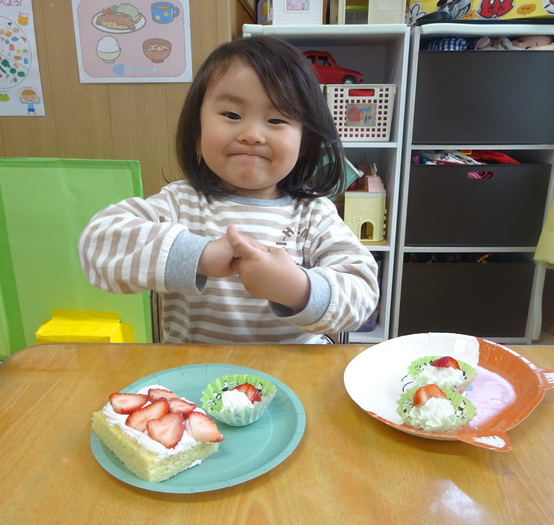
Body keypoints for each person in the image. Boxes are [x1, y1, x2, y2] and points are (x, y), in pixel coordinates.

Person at [79, 36, 379, 344]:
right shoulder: (180, 202)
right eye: (232, 115)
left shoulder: (314, 215)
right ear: (197, 131)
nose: (252, 135)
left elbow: (363, 294)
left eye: (276, 119)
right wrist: (199, 255)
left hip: (288, 369)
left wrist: (296, 288)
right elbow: (97, 244)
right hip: (193, 370)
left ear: (304, 143)